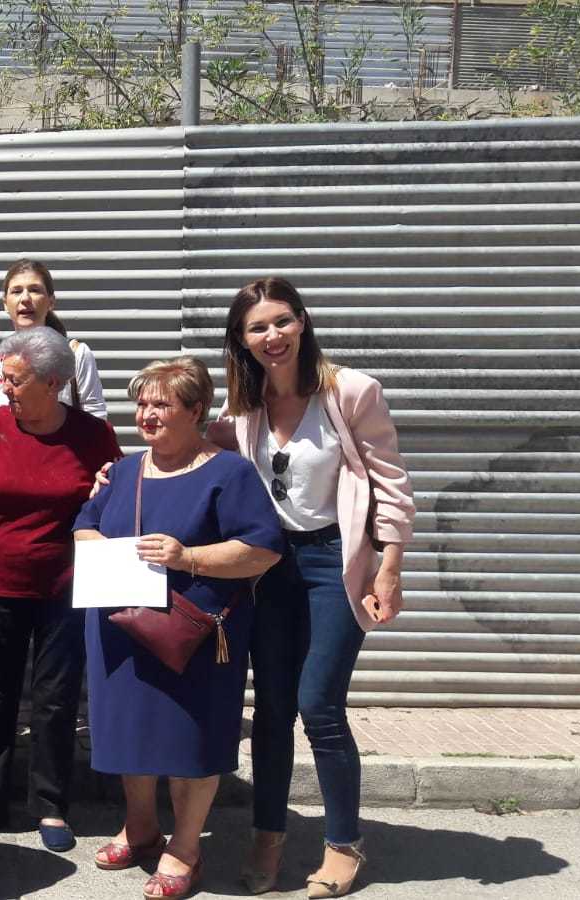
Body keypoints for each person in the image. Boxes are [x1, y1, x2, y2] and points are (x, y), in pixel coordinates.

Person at [215, 278, 414, 899]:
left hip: (335, 561)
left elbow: (391, 483)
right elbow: (193, 447)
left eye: (282, 321)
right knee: (272, 709)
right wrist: (123, 470)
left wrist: (389, 566)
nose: (272, 336)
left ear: (302, 322)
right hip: (270, 566)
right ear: (242, 340)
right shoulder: (243, 406)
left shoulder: (349, 392)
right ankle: (267, 836)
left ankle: (343, 842)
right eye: (257, 327)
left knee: (319, 703)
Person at [73, 357, 282, 900]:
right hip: (120, 626)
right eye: (142, 403)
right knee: (132, 731)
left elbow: (262, 548)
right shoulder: (122, 471)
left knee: (190, 738)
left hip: (194, 633)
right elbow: (84, 526)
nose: (147, 414)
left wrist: (187, 557)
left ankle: (186, 846)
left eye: (161, 404)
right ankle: (140, 826)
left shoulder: (229, 473)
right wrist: (104, 550)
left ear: (196, 410)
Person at [0, 328, 121, 852]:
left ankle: (49, 804)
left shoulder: (93, 435)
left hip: (65, 587)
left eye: (15, 380)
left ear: (53, 383)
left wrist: (105, 488)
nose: (5, 388)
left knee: (55, 699)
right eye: (4, 377)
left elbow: (116, 502)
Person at [0, 259, 107, 417]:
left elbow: (95, 415)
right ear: (5, 303)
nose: (25, 298)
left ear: (51, 301)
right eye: (16, 291)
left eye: (35, 290)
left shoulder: (75, 354)